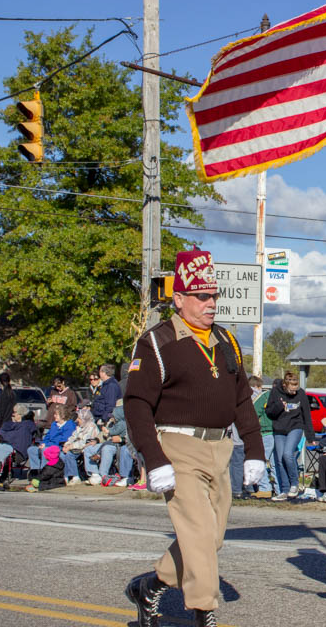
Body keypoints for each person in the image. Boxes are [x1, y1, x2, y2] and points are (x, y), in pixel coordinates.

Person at [123, 249, 265, 627]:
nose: (210, 303)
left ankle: (151, 587)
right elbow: (136, 404)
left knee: (210, 538)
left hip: (220, 447)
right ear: (180, 299)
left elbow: (241, 402)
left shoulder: (226, 340)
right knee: (200, 535)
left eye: (214, 296)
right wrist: (153, 458)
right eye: (202, 296)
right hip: (178, 448)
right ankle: (204, 613)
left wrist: (255, 450)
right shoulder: (157, 343)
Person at [265, 372, 315, 501]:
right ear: (285, 385)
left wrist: (311, 436)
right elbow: (269, 413)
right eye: (291, 388)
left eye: (296, 387)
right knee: (280, 459)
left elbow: (306, 415)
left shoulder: (301, 394)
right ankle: (284, 490)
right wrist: (279, 406)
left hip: (295, 427)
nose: (294, 391)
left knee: (288, 454)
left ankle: (294, 484)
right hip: (280, 429)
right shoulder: (276, 392)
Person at [84, 413, 133, 487]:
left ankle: (103, 475)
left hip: (117, 444)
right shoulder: (110, 423)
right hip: (106, 442)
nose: (111, 418)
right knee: (89, 449)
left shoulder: (124, 424)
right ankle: (95, 474)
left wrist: (120, 439)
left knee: (107, 449)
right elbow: (102, 434)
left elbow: (127, 437)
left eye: (113, 416)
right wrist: (96, 440)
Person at [27, 407, 77, 476]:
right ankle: (36, 470)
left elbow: (63, 440)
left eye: (56, 414)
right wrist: (43, 443)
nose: (54, 416)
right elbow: (48, 436)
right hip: (49, 444)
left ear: (62, 415)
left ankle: (45, 472)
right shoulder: (54, 424)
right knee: (31, 449)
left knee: (45, 450)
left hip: (60, 447)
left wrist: (47, 445)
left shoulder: (70, 425)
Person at [248, 375, 276, 499]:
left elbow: (254, 412)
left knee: (260, 460)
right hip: (280, 434)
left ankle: (265, 488)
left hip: (265, 432)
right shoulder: (284, 397)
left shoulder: (265, 396)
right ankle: (279, 488)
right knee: (276, 463)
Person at [60, 408, 100, 484]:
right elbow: (73, 436)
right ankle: (65, 476)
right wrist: (67, 444)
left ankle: (75, 476)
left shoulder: (91, 426)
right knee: (62, 454)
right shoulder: (79, 427)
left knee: (69, 454)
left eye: (79, 418)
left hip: (86, 447)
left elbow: (84, 442)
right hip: (76, 446)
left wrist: (70, 447)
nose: (77, 420)